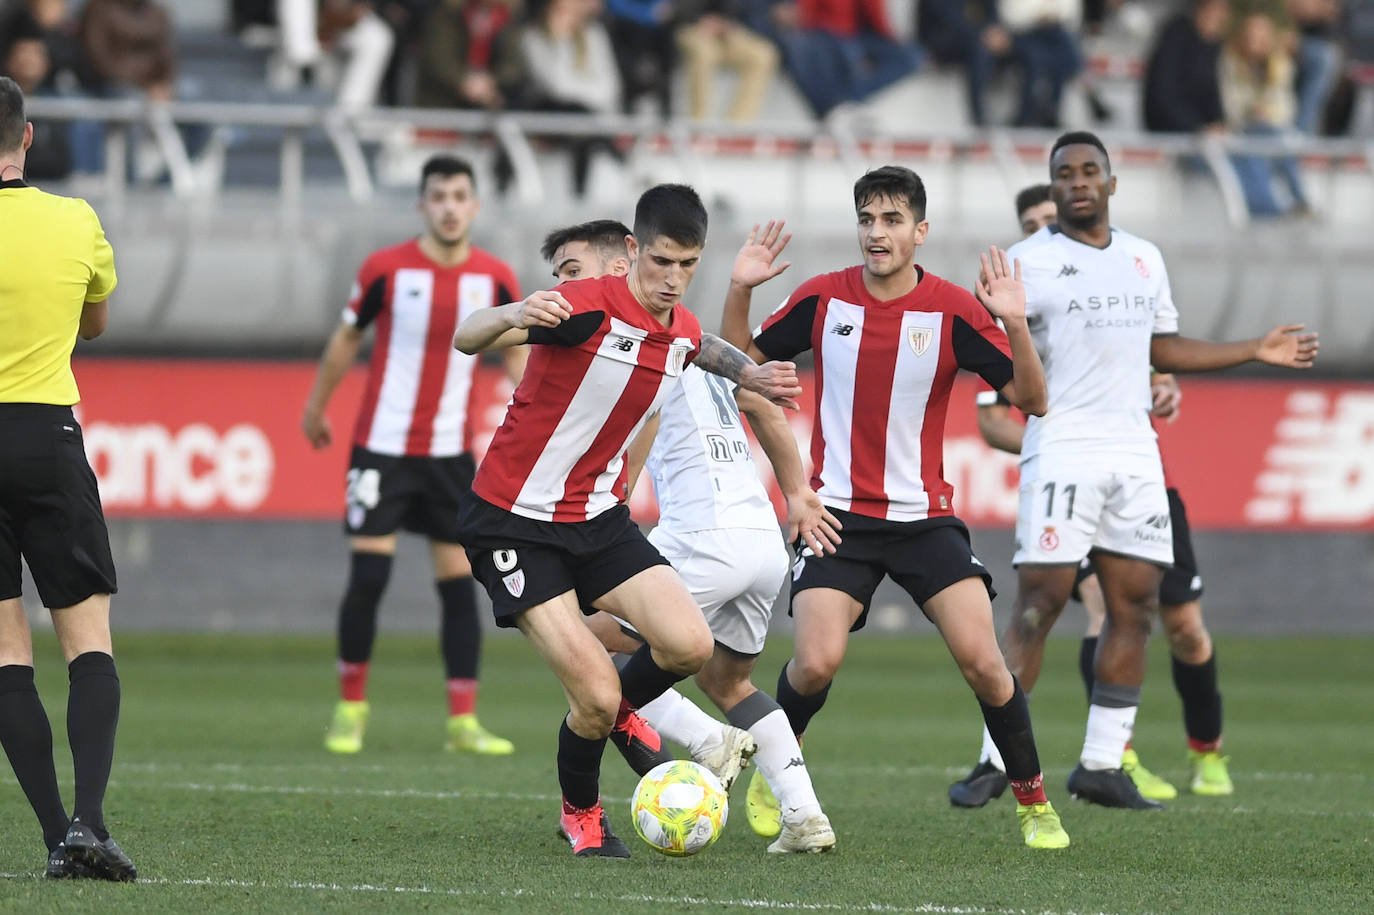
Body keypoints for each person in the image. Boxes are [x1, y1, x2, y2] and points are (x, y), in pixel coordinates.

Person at [721, 166, 1071, 849]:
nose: (876, 233)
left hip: (924, 521)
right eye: (867, 219)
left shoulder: (952, 310)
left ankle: (1033, 800)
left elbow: (1034, 399)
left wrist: (1015, 324)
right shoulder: (822, 299)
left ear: (920, 230)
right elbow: (740, 368)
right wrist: (739, 288)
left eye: (890, 220)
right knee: (816, 662)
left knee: (983, 661)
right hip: (838, 518)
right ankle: (778, 770)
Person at [451, 183, 802, 857]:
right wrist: (512, 312)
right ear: (634, 250)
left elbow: (704, 348)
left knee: (689, 645)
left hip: (596, 519)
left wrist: (751, 377)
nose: (674, 278)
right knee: (594, 692)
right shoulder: (582, 308)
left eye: (688, 265)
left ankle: (617, 712)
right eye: (662, 261)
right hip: (512, 523)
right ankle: (582, 811)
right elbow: (470, 337)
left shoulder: (679, 326)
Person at [968, 131, 1316, 811]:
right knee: (1038, 602)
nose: (1077, 181)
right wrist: (1009, 324)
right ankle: (993, 758)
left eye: (1089, 170)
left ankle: (1101, 762)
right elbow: (1001, 375)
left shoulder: (1142, 258)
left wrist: (1254, 348)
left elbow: (1162, 346)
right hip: (1062, 445)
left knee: (1136, 607)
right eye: (1063, 172)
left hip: (1133, 452)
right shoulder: (1025, 262)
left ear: (1111, 183)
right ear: (1053, 184)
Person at [544, 217, 841, 853]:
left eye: (575, 272)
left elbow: (643, 420)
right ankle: (804, 816)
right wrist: (796, 493)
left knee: (583, 640)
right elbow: (760, 402)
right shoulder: (692, 338)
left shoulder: (636, 334)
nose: (568, 286)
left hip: (703, 534)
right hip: (761, 541)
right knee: (730, 681)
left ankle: (707, 743)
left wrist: (612, 495)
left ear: (620, 264)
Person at [951, 184, 1232, 808]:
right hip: (1065, 470)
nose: (1047, 231)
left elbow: (1155, 365)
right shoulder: (1026, 287)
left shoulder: (1131, 272)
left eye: (1050, 218)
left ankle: (1128, 756)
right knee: (1053, 606)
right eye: (1034, 224)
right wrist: (1054, 446)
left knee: (1171, 619)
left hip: (1136, 471)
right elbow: (996, 417)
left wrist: (1165, 390)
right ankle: (1008, 758)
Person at [302, 155, 520, 758]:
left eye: (459, 195)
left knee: (457, 587)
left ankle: (463, 722)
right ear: (422, 205)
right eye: (438, 196)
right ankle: (350, 711)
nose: (449, 206)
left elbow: (517, 359)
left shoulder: (496, 279)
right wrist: (316, 407)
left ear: (474, 206)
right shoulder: (385, 270)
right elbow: (348, 336)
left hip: (451, 455)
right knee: (368, 577)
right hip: (382, 449)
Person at [0, 75, 135, 881]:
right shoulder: (73, 217)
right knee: (87, 639)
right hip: (45, 432)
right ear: (28, 135)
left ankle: (58, 835)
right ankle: (89, 819)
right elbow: (96, 320)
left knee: (7, 649)